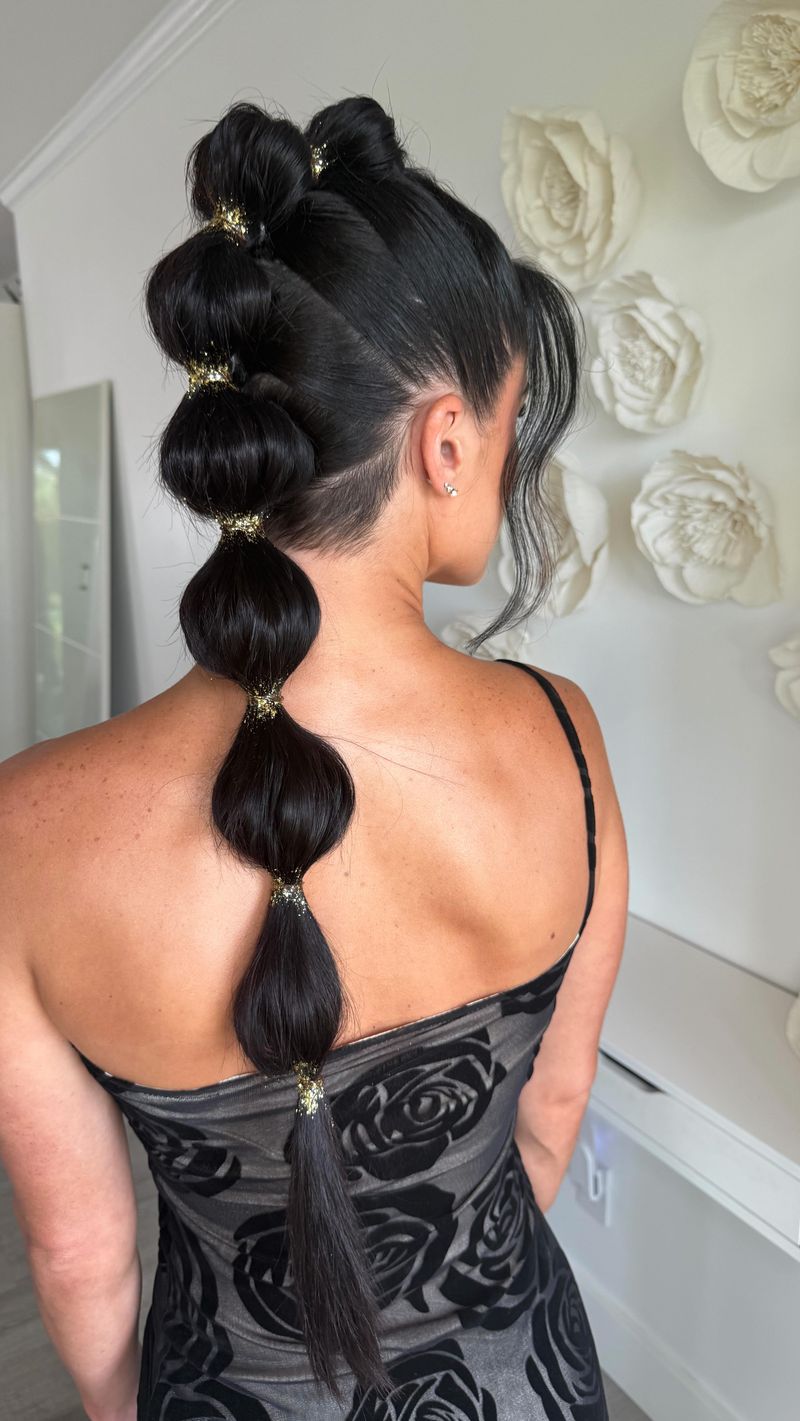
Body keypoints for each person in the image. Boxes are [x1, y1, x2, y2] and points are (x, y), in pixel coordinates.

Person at [0, 95, 628, 1421]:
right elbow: (552, 1108)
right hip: (518, 1377)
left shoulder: (24, 831)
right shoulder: (564, 738)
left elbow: (83, 1258)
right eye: (512, 427)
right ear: (446, 441)